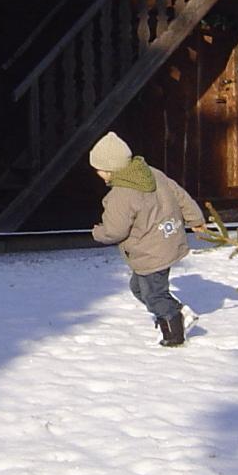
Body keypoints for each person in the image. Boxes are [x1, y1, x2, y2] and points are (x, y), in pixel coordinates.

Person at [88, 131, 205, 347]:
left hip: (151, 251)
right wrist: (195, 218)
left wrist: (98, 232)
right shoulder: (151, 173)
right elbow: (181, 196)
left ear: (109, 170)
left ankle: (173, 333)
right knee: (139, 288)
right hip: (166, 241)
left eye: (99, 170)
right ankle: (176, 312)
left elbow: (115, 230)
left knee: (154, 296)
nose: (98, 175)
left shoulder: (121, 194)